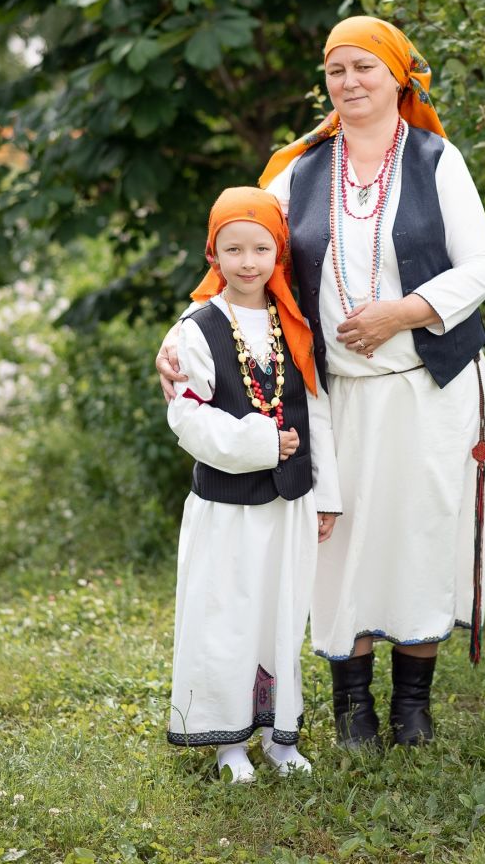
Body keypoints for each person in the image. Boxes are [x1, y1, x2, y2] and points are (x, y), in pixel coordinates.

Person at [158, 16, 485, 750]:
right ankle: (352, 709)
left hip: (429, 386)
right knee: (338, 543)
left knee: (419, 535)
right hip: (334, 393)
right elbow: (241, 251)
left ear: (398, 77)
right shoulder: (298, 170)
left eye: (365, 68)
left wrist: (402, 313)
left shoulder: (438, 160)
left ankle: (412, 706)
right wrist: (181, 338)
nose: (350, 82)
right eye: (337, 70)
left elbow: (481, 269)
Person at [165, 186, 341, 783]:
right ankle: (229, 741)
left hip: (289, 502)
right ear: (212, 254)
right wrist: (261, 444)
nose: (247, 262)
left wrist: (328, 494)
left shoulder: (292, 322)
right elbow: (187, 416)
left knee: (280, 612)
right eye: (232, 248)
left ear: (278, 251)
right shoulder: (197, 327)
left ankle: (278, 733)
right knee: (229, 613)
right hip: (228, 507)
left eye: (260, 248)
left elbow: (316, 412)